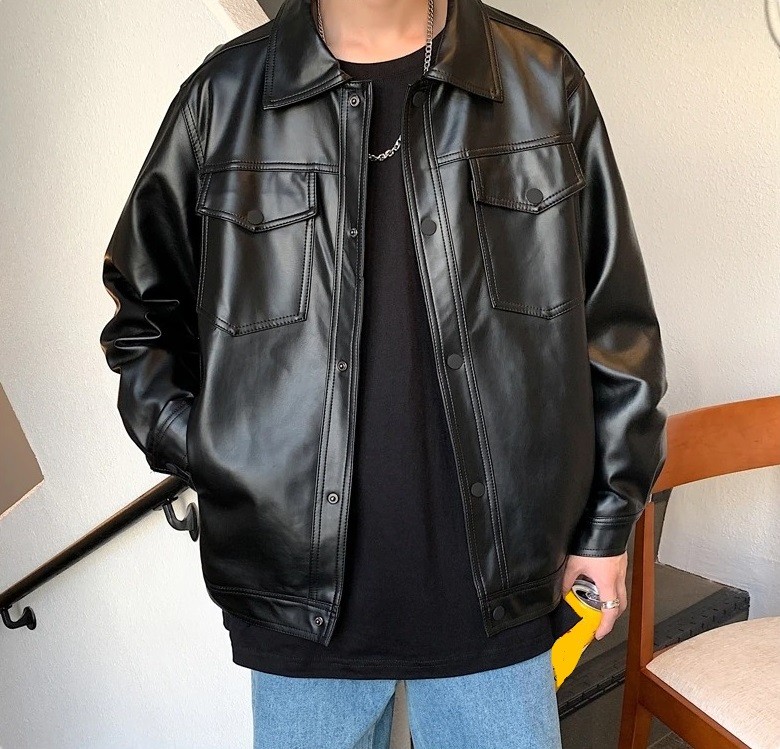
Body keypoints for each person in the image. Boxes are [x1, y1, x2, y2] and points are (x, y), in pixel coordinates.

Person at [99, 0, 668, 746]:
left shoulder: (539, 81)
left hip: (500, 590)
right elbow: (142, 323)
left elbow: (615, 326)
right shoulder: (224, 100)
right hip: (298, 602)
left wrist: (607, 523)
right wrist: (216, 452)